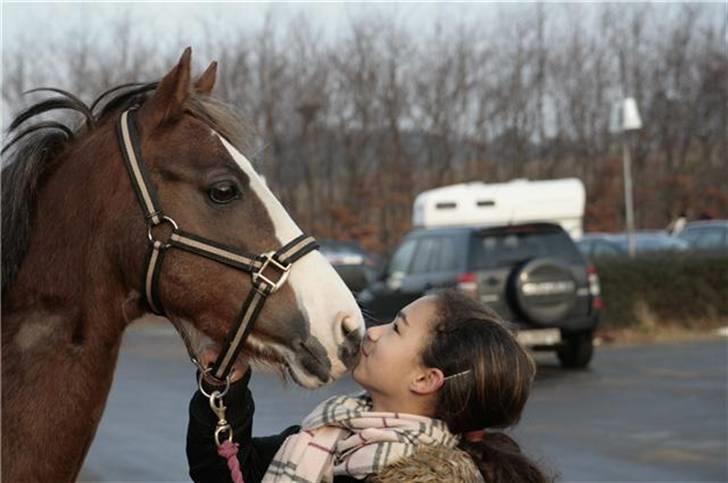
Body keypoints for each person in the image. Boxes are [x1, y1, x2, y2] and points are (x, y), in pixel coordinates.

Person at [187, 290, 551, 482]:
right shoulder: (330, 436)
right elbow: (224, 473)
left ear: (425, 379)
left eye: (397, 328)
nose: (373, 331)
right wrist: (227, 387)